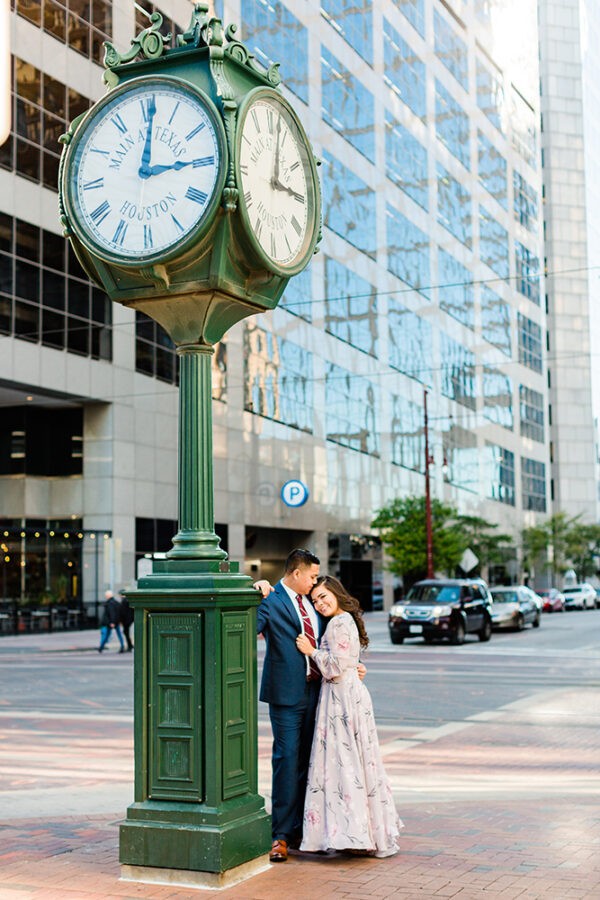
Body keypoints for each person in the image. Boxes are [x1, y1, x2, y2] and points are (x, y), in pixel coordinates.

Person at [296, 575, 401, 858]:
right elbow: (348, 662)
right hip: (344, 696)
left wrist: (310, 650)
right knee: (353, 762)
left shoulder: (339, 622)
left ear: (336, 593)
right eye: (315, 600)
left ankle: (353, 833)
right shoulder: (342, 622)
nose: (319, 604)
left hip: (343, 700)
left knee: (345, 763)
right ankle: (357, 833)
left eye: (323, 596)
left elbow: (335, 667)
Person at [255, 549, 324, 862]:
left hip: (317, 692)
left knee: (308, 760)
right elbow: (249, 625)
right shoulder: (270, 598)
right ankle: (280, 835)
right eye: (311, 576)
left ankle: (301, 829)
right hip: (285, 694)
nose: (314, 582)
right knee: (286, 759)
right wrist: (252, 591)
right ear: (296, 573)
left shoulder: (313, 603)